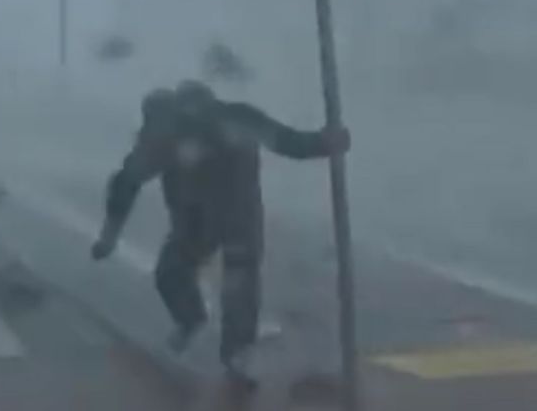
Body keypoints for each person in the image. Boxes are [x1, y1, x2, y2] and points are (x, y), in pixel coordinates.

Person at [91, 80, 350, 384]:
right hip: (205, 218)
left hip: (226, 216)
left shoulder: (217, 123)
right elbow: (126, 184)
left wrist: (324, 143)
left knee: (230, 280)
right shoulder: (185, 130)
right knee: (181, 274)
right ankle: (206, 330)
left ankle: (235, 350)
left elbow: (287, 142)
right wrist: (323, 143)